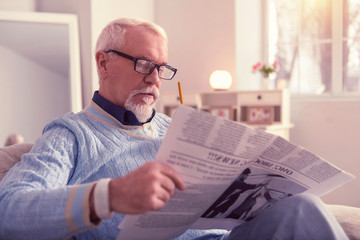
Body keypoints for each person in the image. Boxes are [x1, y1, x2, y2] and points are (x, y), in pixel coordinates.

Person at [0, 17, 349, 240]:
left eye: (161, 67)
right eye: (142, 64)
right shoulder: (70, 134)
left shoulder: (180, 128)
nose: (154, 78)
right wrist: (112, 195)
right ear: (103, 62)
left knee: (301, 207)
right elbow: (9, 210)